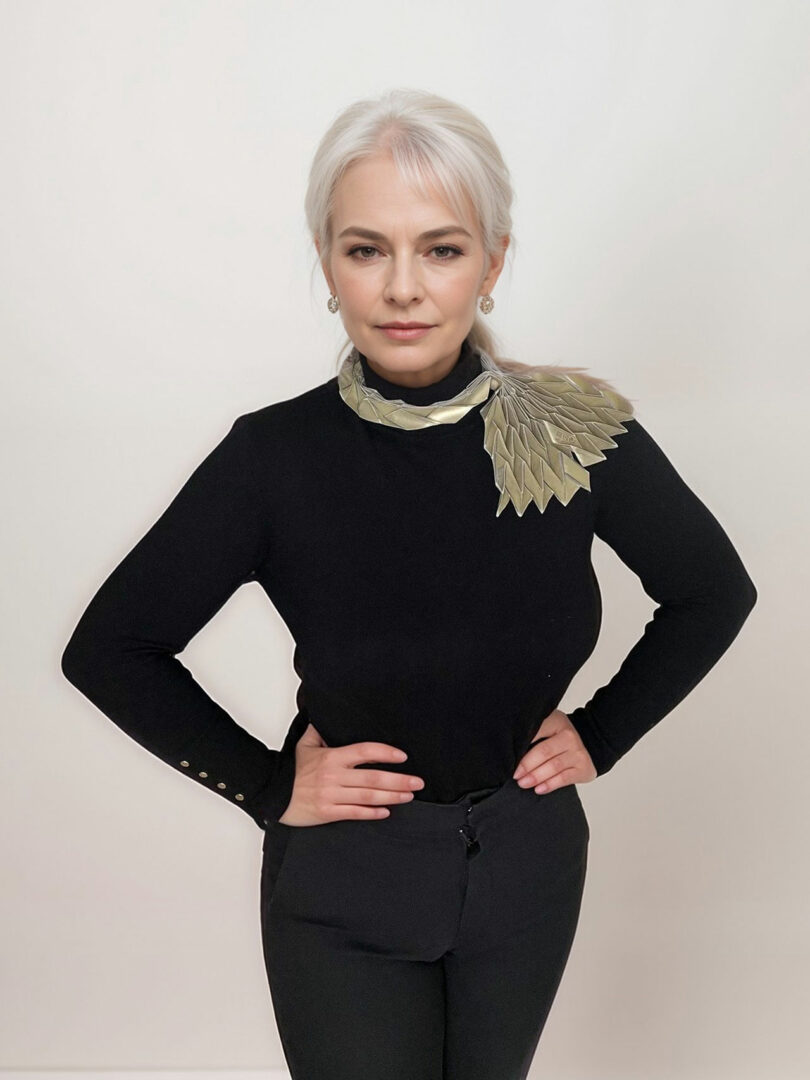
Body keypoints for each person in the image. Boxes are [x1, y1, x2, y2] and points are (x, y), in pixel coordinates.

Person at [60, 88, 758, 1080]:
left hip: (527, 868)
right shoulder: (275, 457)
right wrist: (265, 784)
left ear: (493, 261)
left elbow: (712, 591)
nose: (403, 287)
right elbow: (111, 648)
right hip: (348, 879)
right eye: (364, 249)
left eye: (440, 248)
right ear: (326, 264)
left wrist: (603, 733)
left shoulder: (572, 432)